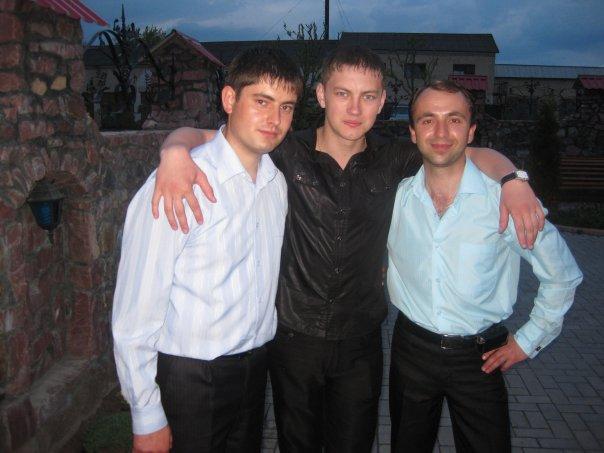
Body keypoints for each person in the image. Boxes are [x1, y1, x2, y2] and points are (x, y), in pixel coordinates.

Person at [151, 46, 546, 452]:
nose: (355, 109)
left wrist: (513, 180)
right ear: (322, 95)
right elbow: (214, 136)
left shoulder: (396, 159)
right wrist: (174, 150)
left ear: (382, 101)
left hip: (361, 343)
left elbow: (469, 153)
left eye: (368, 96)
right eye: (343, 94)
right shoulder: (286, 151)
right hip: (294, 339)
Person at [112, 47, 302, 453]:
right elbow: (136, 311)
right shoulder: (180, 184)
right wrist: (146, 413)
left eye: (286, 107)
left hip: (255, 368)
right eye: (262, 101)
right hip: (191, 380)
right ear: (230, 99)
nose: (275, 119)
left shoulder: (276, 184)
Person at [387, 80, 583, 452]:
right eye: (428, 120)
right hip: (411, 350)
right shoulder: (399, 198)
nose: (441, 132)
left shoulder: (505, 202)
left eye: (454, 120)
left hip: (480, 358)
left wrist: (527, 341)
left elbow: (562, 275)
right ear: (412, 132)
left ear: (471, 131)